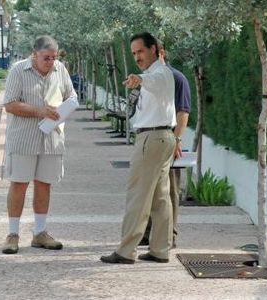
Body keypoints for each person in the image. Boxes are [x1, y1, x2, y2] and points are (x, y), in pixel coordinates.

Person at [101, 32, 176, 264]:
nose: (137, 57)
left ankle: (126, 251)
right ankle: (160, 249)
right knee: (159, 197)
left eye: (140, 51)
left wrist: (140, 79)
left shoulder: (160, 73)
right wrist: (141, 79)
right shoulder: (154, 74)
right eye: (134, 53)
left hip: (152, 139)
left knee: (138, 196)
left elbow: (153, 83)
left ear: (154, 49)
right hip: (161, 138)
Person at [1, 35, 77, 254]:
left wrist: (66, 108)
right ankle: (13, 234)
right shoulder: (18, 70)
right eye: (46, 57)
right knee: (19, 184)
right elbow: (10, 104)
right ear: (34, 54)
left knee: (44, 184)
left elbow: (71, 96)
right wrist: (39, 111)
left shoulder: (60, 70)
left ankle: (40, 232)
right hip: (24, 139)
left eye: (53, 57)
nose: (50, 62)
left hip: (51, 140)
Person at [139, 45, 191, 248]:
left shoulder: (177, 78)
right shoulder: (147, 80)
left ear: (160, 53)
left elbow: (183, 112)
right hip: (148, 141)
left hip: (166, 140)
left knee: (169, 191)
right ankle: (149, 232)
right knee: (150, 190)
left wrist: (177, 139)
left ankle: (169, 235)